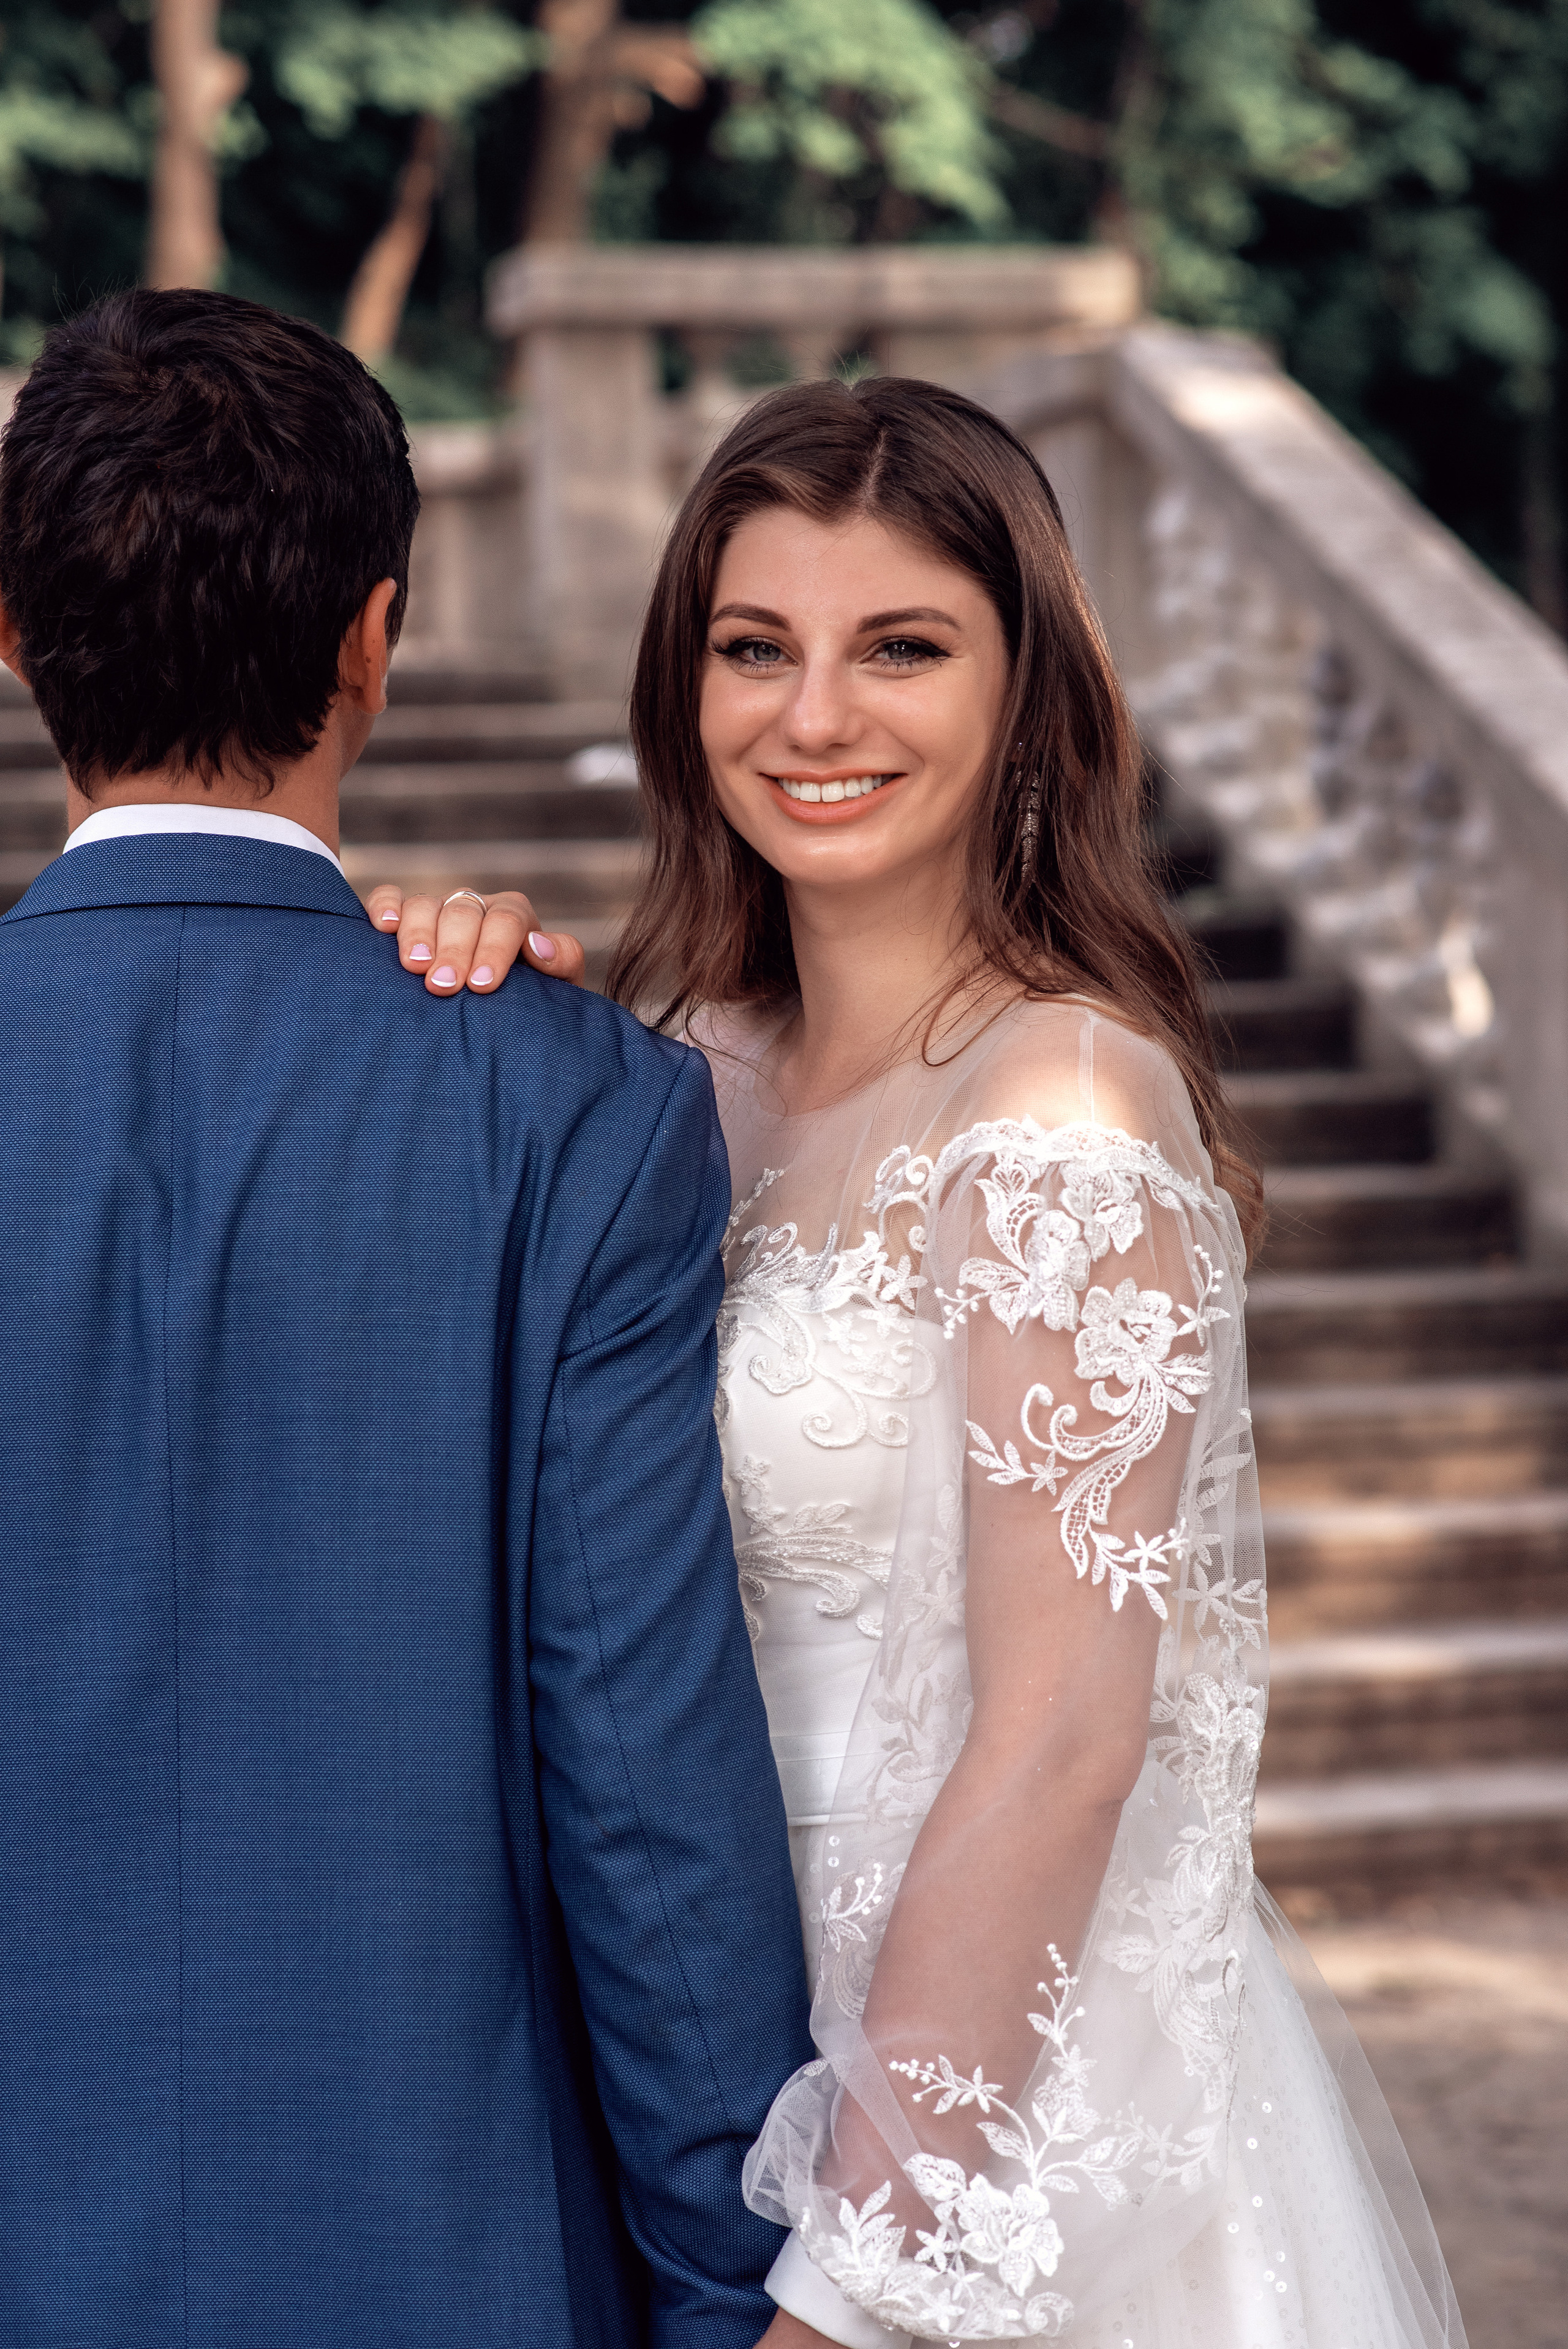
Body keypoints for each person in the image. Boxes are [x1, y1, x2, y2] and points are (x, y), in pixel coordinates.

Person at [365, 377, 1472, 2349]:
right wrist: (463, 992)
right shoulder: (666, 1072)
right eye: (753, 647)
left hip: (989, 2131)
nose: (814, 718)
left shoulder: (1060, 1101)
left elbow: (1066, 1740)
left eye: (901, 648)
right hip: (689, 2058)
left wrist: (866, 2280)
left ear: (1023, 688)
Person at [0, 288, 818, 2349]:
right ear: (379, 637)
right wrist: (744, 2291)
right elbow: (640, 1781)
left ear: (11, 638)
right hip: (433, 2256)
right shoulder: (573, 1103)